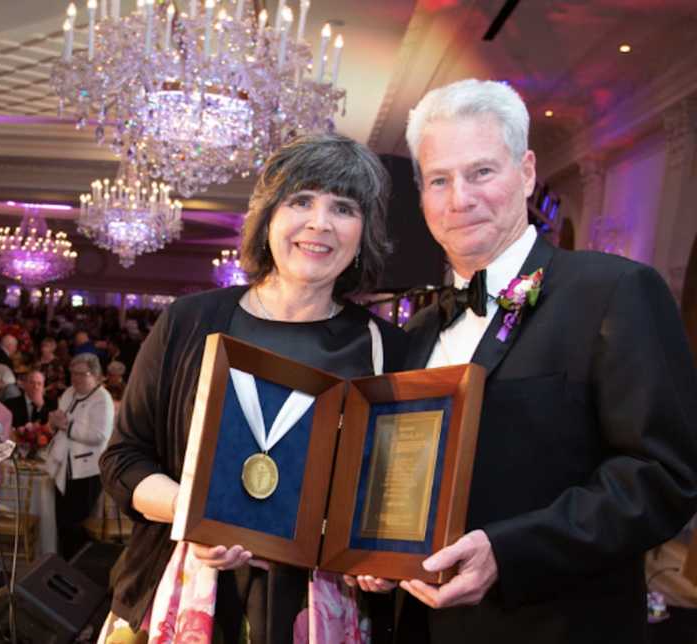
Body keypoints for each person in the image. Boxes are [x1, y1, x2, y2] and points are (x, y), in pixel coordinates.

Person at [368, 78, 697, 643]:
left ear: (525, 172)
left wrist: (510, 551)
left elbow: (665, 476)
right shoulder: (418, 330)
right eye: (439, 180)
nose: (459, 199)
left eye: (481, 172)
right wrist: (376, 548)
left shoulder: (615, 289)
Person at [99, 133, 406, 643]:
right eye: (301, 200)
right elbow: (124, 460)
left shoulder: (385, 348)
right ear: (268, 218)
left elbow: (390, 494)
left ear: (362, 233)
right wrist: (196, 514)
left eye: (344, 207)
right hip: (178, 590)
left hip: (312, 612)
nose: (319, 223)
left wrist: (379, 553)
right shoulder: (189, 322)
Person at [48, 352, 114, 560]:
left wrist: (66, 425)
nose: (75, 379)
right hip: (64, 467)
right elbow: (59, 420)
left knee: (75, 523)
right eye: (72, 374)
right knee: (62, 522)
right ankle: (63, 564)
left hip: (87, 470)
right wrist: (54, 423)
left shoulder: (102, 398)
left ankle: (79, 568)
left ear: (95, 375)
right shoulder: (68, 393)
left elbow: (99, 435)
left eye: (81, 374)